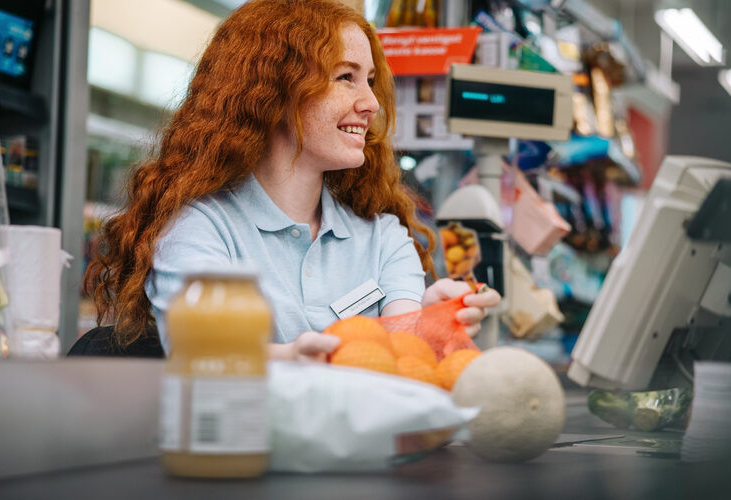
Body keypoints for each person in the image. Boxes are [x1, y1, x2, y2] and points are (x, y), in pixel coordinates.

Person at [83, 0, 500, 361]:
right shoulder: (202, 231)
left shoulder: (385, 239)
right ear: (274, 92)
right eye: (346, 77)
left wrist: (428, 322)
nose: (371, 103)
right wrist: (293, 359)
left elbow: (397, 354)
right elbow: (206, 354)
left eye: (370, 81)